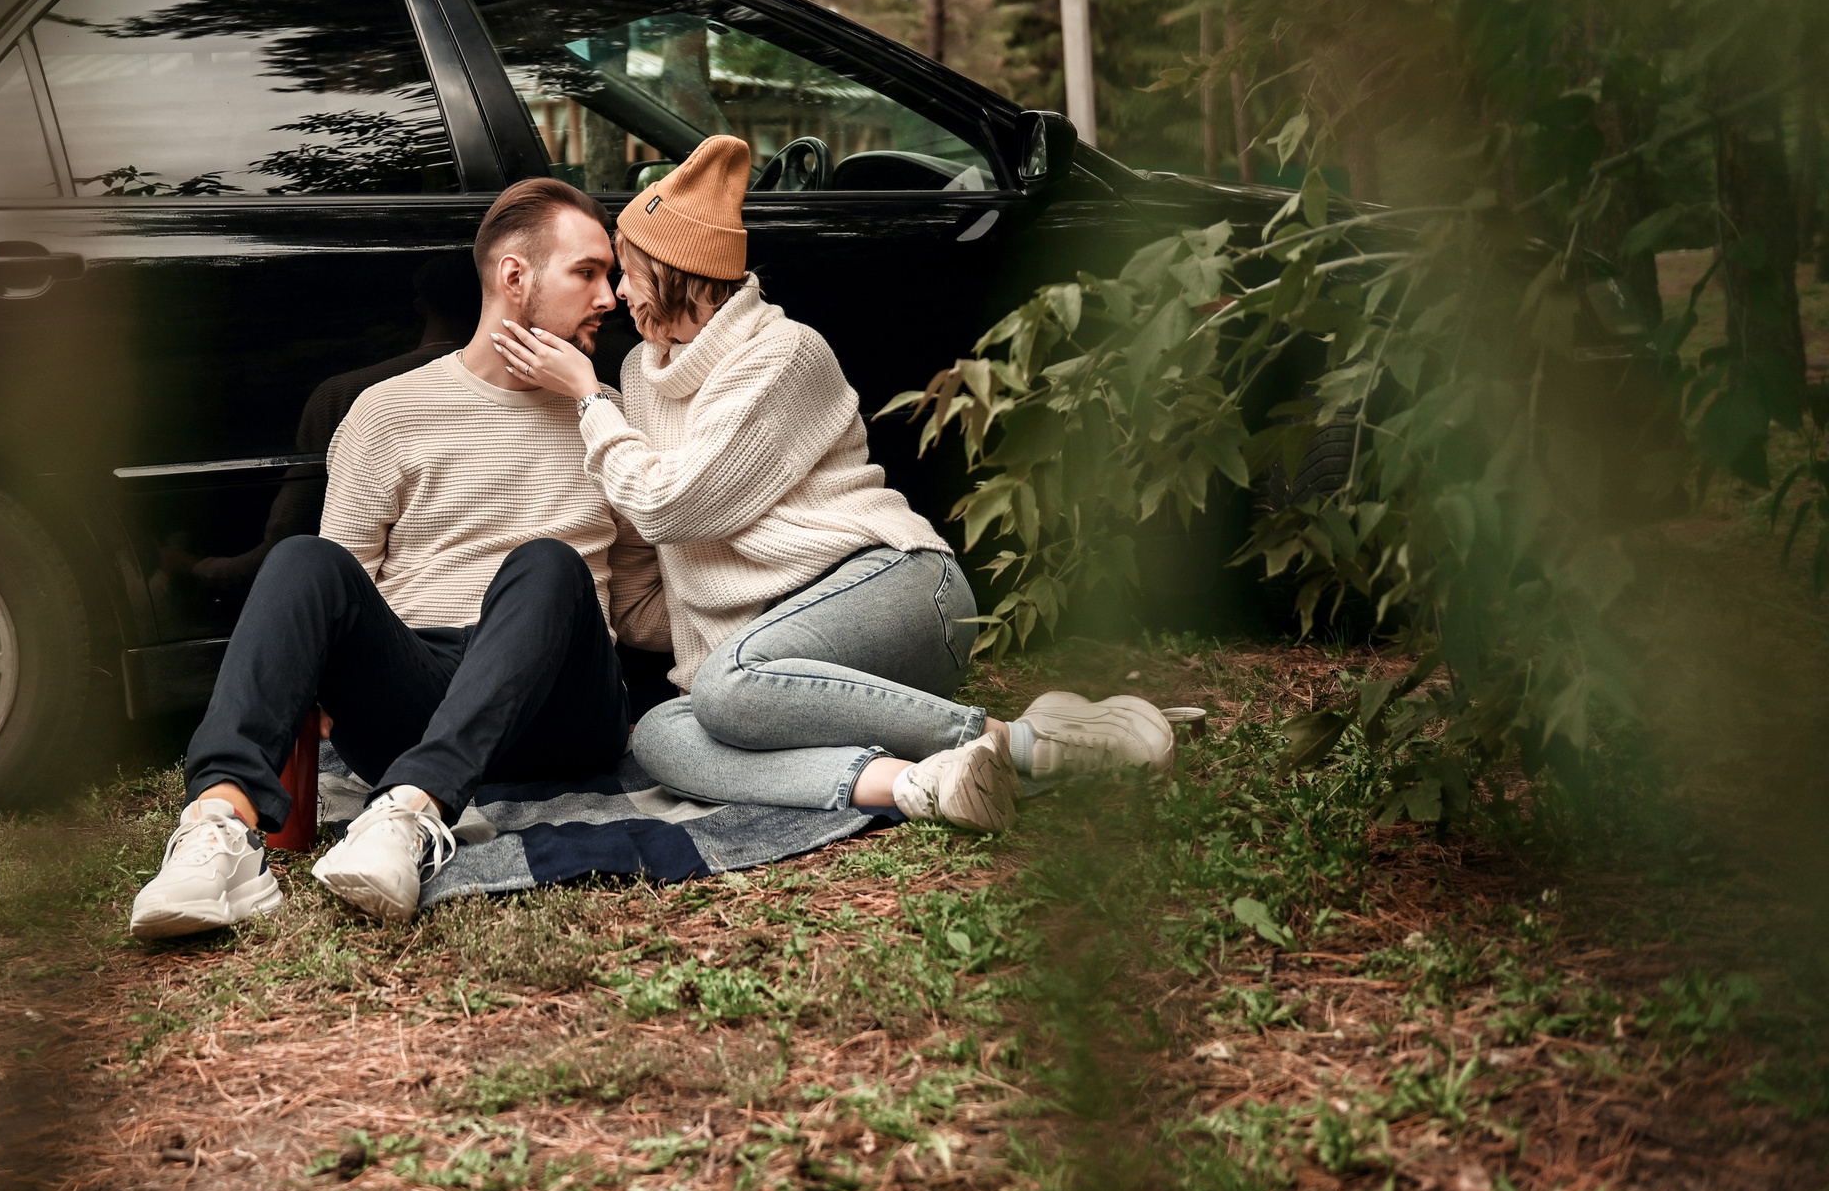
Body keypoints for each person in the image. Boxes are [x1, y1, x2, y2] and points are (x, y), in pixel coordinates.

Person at [492, 135, 1180, 829]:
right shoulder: (643, 374)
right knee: (667, 732)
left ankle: (1024, 741)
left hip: (898, 592)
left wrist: (588, 400)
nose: (616, 294)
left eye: (630, 271)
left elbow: (670, 508)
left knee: (725, 688)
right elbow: (668, 568)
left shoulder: (783, 355)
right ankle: (924, 783)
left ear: (680, 274)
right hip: (780, 663)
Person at [130, 179, 665, 939]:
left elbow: (642, 602)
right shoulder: (387, 412)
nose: (610, 296)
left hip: (561, 704)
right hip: (418, 695)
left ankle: (412, 814)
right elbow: (332, 601)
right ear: (515, 277)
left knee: (546, 562)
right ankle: (218, 830)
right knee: (306, 559)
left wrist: (748, 631)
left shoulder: (607, 416)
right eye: (587, 272)